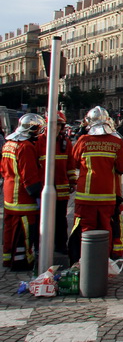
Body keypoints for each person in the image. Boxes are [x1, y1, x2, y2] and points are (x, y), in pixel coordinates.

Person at [70, 106, 123, 261]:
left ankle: (84, 259)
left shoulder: (83, 141)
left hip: (85, 196)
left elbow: (74, 162)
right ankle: (105, 260)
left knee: (85, 228)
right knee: (107, 228)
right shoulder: (116, 142)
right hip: (107, 195)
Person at [1, 113, 45, 270]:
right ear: (32, 129)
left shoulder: (8, 144)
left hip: (8, 195)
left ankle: (8, 258)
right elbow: (29, 175)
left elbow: (3, 169)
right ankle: (23, 261)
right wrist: (38, 195)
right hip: (23, 198)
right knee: (25, 232)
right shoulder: (25, 147)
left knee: (9, 229)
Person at [35, 112, 78, 254]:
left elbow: (70, 165)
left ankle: (60, 245)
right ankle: (40, 246)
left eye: (60, 125)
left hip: (61, 189)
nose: (58, 128)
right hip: (43, 189)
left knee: (60, 219)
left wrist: (73, 182)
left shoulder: (65, 143)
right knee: (41, 219)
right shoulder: (39, 142)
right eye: (55, 124)